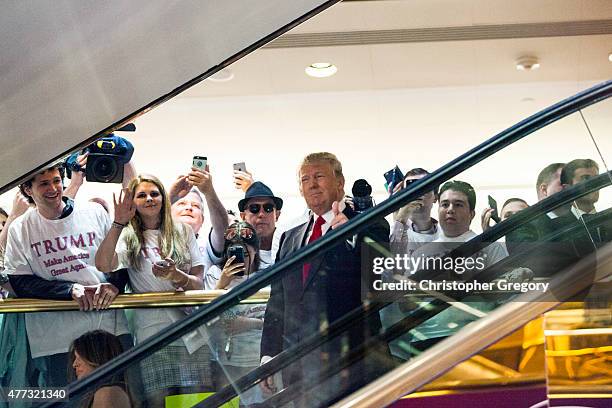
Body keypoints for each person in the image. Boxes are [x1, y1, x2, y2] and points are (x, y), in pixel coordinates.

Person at [260, 152, 391, 407]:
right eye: (305, 179)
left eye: (319, 176)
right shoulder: (290, 238)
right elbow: (278, 301)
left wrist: (352, 236)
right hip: (299, 369)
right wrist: (268, 356)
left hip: (353, 362)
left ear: (340, 182)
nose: (312, 184)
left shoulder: (370, 225)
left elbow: (378, 282)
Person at [3, 164, 130, 387]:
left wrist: (114, 285)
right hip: (56, 337)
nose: (53, 188)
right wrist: (69, 290)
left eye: (56, 181)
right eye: (44, 184)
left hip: (107, 326)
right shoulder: (20, 228)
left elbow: (119, 259)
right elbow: (21, 282)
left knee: (116, 392)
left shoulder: (94, 212)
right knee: (66, 397)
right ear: (27, 189)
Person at [95, 174, 212, 406]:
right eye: (142, 195)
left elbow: (199, 283)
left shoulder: (182, 231)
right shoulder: (129, 237)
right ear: (133, 203)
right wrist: (118, 222)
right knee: (159, 401)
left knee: (197, 400)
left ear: (163, 198)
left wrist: (176, 275)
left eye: (154, 193)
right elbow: (103, 264)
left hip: (192, 333)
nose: (149, 199)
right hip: (153, 334)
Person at [206, 221, 268, 406]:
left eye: (245, 250)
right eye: (234, 250)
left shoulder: (267, 275)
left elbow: (277, 318)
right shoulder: (215, 274)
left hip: (260, 358)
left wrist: (254, 323)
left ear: (256, 250)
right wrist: (222, 285)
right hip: (228, 362)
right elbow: (211, 319)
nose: (240, 256)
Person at [168, 165, 229, 270]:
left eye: (196, 206)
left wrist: (209, 192)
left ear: (202, 220)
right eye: (182, 203)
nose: (189, 208)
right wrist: (170, 195)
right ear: (168, 213)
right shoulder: (154, 236)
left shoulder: (207, 244)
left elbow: (222, 229)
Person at [69, 330, 131, 408]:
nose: (74, 364)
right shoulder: (106, 392)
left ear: (96, 357)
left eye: (79, 357)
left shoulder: (107, 393)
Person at [390, 168, 441, 250]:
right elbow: (395, 258)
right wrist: (400, 217)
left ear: (435, 197)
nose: (417, 192)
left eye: (424, 186)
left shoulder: (447, 231)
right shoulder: (393, 232)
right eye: (411, 186)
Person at [238, 181, 283, 263]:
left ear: (277, 215)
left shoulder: (292, 246)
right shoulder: (237, 253)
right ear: (243, 216)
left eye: (268, 208)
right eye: (254, 208)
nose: (261, 214)